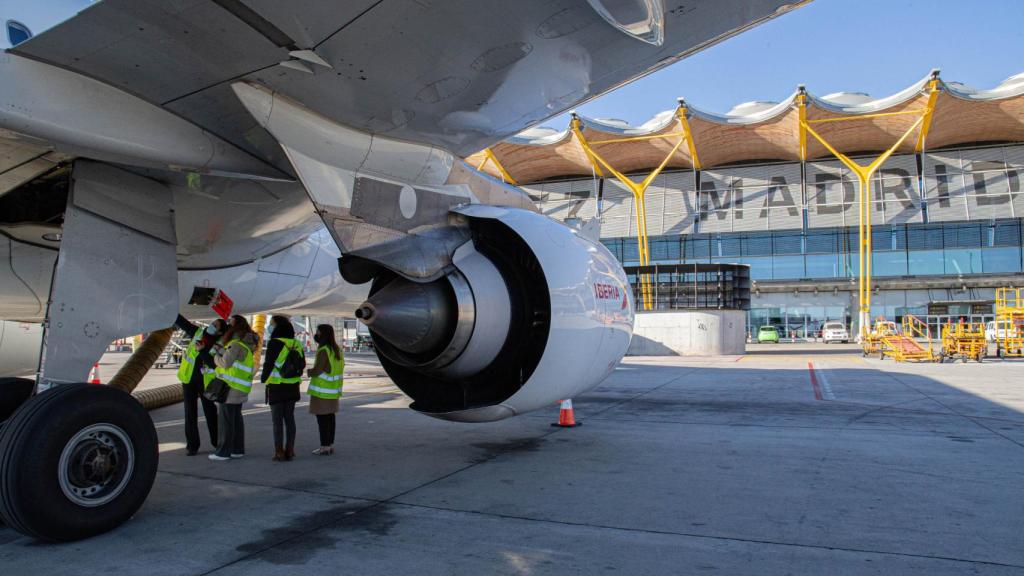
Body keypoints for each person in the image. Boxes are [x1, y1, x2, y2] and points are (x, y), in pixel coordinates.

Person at [174, 314, 225, 455]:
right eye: (212, 323)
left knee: (210, 413)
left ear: (220, 332)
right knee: (190, 413)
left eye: (215, 326)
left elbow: (213, 364)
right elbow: (183, 323)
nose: (211, 326)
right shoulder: (198, 332)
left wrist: (202, 350)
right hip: (188, 379)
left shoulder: (218, 344)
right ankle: (192, 445)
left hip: (205, 383)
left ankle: (216, 442)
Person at [209, 315, 258, 461]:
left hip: (230, 389)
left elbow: (225, 363)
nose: (228, 327)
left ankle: (223, 452)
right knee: (236, 420)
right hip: (240, 388)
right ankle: (237, 449)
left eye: (230, 324)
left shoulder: (236, 344)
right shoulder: (246, 345)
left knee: (226, 422)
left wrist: (215, 356)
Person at [261, 315, 304, 461]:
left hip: (277, 386)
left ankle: (279, 451)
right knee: (289, 418)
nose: (269, 326)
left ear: (278, 327)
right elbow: (302, 364)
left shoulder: (274, 343)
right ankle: (290, 449)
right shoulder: (296, 343)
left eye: (272, 324)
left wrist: (263, 379)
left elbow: (268, 364)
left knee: (277, 421)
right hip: (292, 386)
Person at [307, 324, 344, 455]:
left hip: (322, 392)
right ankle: (330, 445)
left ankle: (324, 446)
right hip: (333, 391)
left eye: (318, 332)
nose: (316, 334)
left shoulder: (324, 350)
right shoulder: (337, 350)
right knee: (330, 418)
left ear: (323, 334)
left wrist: (308, 372)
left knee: (322, 420)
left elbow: (318, 370)